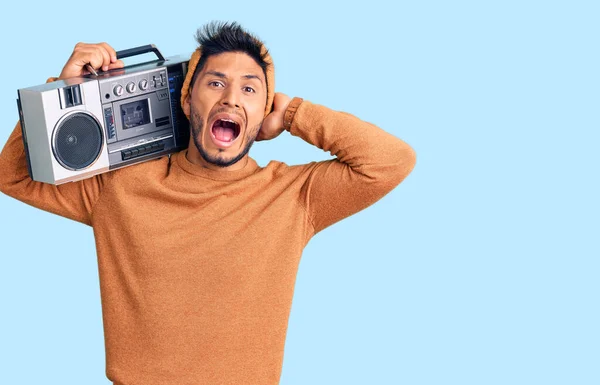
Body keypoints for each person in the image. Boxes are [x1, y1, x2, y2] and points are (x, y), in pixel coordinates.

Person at [0, 21, 416, 385]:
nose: (231, 99)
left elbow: (390, 162)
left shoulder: (294, 195)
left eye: (250, 89)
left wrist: (293, 113)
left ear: (261, 112)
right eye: (216, 82)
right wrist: (62, 91)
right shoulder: (119, 186)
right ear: (186, 100)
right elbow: (12, 176)